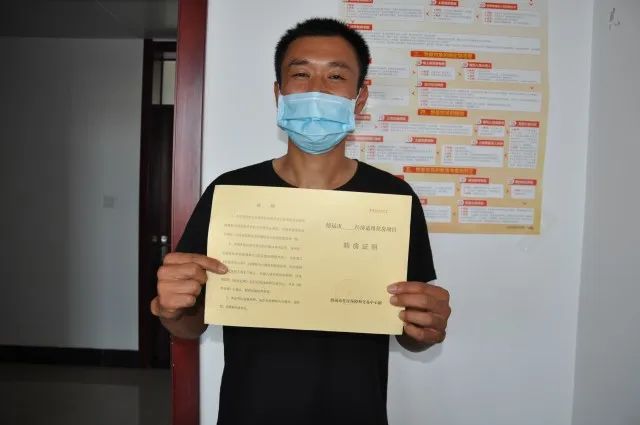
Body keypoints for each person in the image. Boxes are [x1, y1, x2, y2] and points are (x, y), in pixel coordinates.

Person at [151, 17, 451, 425]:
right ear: (279, 93)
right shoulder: (232, 193)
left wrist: (426, 328)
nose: (317, 90)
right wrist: (169, 309)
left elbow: (408, 331)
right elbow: (190, 325)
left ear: (359, 98)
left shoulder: (392, 198)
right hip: (249, 412)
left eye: (336, 76)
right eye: (301, 74)